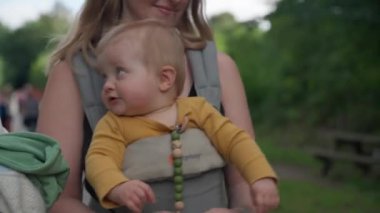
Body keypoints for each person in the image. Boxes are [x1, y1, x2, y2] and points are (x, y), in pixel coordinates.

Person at [37, 1, 280, 212]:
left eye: (120, 72)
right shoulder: (72, 74)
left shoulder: (219, 69)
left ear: (167, 78)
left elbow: (242, 179)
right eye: (107, 74)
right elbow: (56, 198)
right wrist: (118, 188)